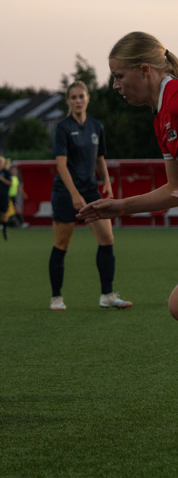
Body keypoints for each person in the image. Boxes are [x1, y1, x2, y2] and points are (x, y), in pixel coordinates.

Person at [78, 31, 178, 319]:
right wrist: (121, 207)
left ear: (144, 70)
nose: (114, 85)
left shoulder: (175, 99)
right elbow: (174, 188)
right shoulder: (161, 115)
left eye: (119, 76)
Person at [48, 80, 131, 311]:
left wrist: (107, 183)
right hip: (66, 193)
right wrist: (74, 194)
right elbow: (61, 165)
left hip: (91, 190)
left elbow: (100, 159)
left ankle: (107, 295)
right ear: (68, 101)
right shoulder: (63, 128)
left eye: (81, 96)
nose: (78, 101)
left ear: (88, 98)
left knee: (107, 239)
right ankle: (56, 298)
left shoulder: (96, 126)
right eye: (73, 97)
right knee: (62, 244)